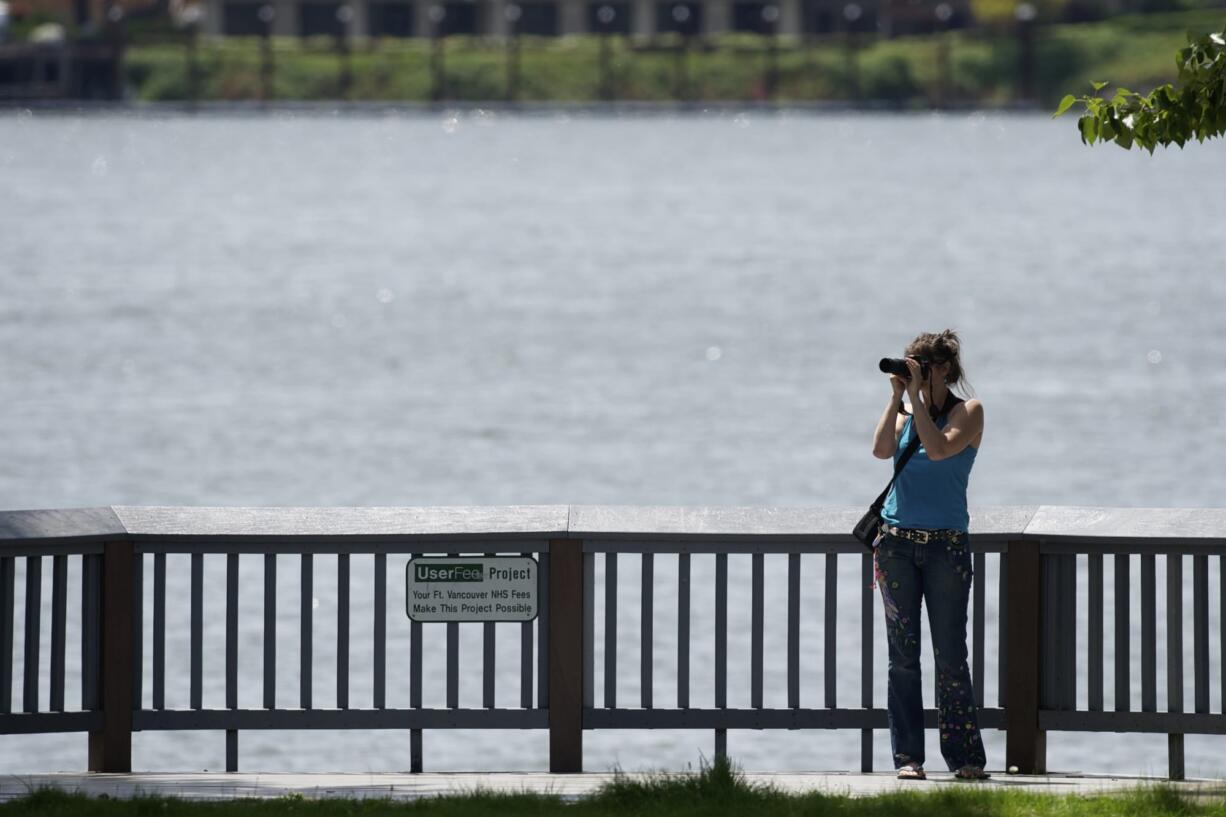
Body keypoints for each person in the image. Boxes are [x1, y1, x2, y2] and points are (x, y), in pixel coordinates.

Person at [869, 329, 987, 781]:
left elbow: (938, 450)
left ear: (943, 369)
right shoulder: (904, 413)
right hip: (896, 545)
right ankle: (908, 760)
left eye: (919, 365)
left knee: (951, 653)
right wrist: (898, 397)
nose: (910, 371)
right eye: (907, 363)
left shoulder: (969, 412)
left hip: (946, 548)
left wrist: (916, 400)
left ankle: (965, 759)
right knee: (902, 657)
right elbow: (880, 450)